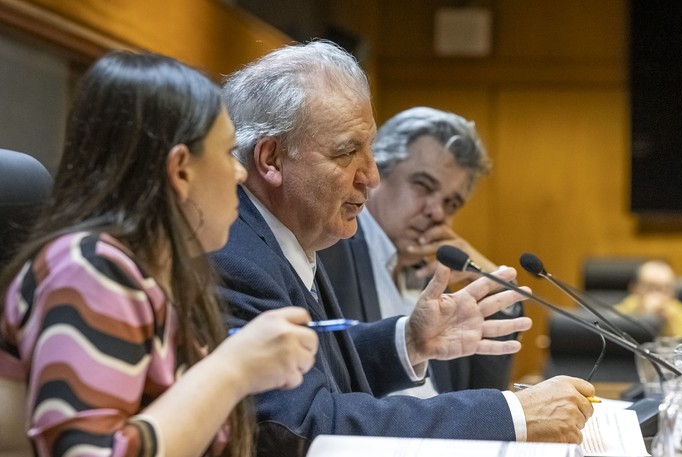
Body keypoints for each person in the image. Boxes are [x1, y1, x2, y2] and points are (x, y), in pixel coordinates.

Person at [211, 39, 595, 457]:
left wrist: (408, 340)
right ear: (271, 159)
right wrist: (511, 415)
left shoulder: (285, 235)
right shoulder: (236, 257)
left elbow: (309, 370)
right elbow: (300, 425)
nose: (371, 176)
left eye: (369, 149)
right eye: (347, 152)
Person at [0, 51, 319, 457]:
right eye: (226, 153)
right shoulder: (88, 270)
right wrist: (234, 370)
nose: (239, 172)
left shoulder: (160, 274)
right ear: (181, 170)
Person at [318, 107, 520, 396]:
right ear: (377, 172)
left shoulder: (434, 277)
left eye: (451, 203)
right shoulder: (329, 250)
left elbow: (482, 394)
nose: (437, 212)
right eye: (423, 186)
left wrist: (489, 283)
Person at [616, 259, 682, 342]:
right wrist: (646, 316)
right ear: (634, 288)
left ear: (674, 291)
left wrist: (667, 321)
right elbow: (614, 329)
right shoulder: (628, 306)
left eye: (664, 288)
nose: (657, 295)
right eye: (650, 288)